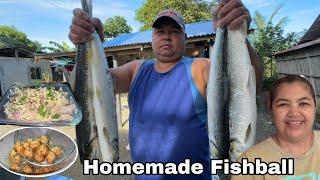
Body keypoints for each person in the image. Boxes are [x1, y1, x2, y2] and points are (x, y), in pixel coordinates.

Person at [69, 0, 262, 179]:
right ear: (152, 38)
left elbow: (247, 85)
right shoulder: (136, 70)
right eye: (160, 31)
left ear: (185, 38)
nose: (167, 36)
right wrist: (89, 44)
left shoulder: (200, 68)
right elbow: (89, 87)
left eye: (175, 31)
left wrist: (238, 33)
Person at [232, 75, 320, 180]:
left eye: (303, 103)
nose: (294, 113)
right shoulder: (250, 162)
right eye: (283, 104)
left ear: (315, 106)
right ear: (271, 110)